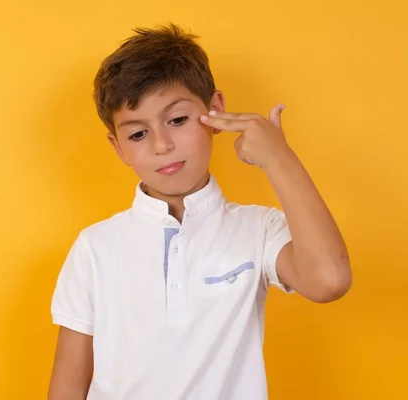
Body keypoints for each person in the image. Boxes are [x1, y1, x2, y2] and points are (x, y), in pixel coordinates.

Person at [47, 23, 352, 400]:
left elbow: (329, 280)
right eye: (138, 134)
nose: (162, 144)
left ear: (215, 111)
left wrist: (279, 159)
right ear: (119, 147)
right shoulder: (95, 247)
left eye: (177, 120)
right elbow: (67, 388)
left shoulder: (257, 230)